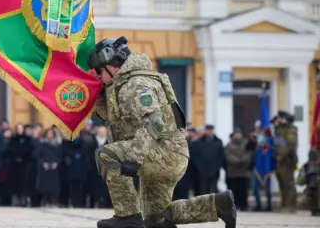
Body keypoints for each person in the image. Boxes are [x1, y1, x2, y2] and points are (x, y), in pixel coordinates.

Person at [89, 36, 236, 228]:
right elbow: (114, 116)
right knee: (155, 219)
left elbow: (154, 121)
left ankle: (127, 217)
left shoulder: (136, 84)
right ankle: (218, 204)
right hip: (164, 153)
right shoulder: (123, 84)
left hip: (164, 153)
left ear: (113, 66)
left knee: (107, 154)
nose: (99, 76)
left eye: (100, 71)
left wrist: (134, 157)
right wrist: (100, 94)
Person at [273, 111, 298, 213]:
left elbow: (290, 145)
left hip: (287, 161)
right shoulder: (281, 130)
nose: (279, 120)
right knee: (282, 184)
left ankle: (291, 206)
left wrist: (281, 156)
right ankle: (284, 204)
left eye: (281, 118)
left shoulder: (291, 130)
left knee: (289, 184)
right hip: (280, 160)